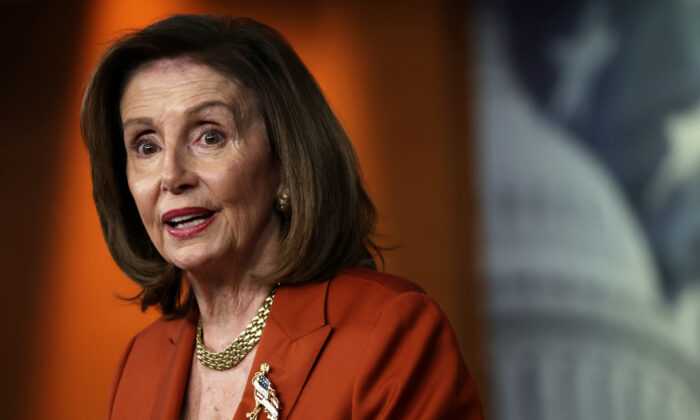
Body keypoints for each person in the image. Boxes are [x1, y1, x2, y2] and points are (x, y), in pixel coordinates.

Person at [82, 14, 483, 420]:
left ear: (285, 163)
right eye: (146, 146)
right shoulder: (139, 362)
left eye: (209, 136)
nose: (172, 176)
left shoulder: (389, 331)